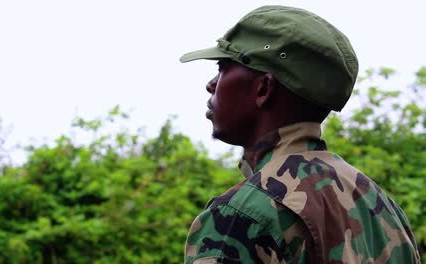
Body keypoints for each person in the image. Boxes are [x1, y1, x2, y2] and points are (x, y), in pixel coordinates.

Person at [179, 5, 420, 264]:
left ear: (264, 89)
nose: (211, 84)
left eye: (223, 67)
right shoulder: (383, 210)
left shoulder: (241, 215)